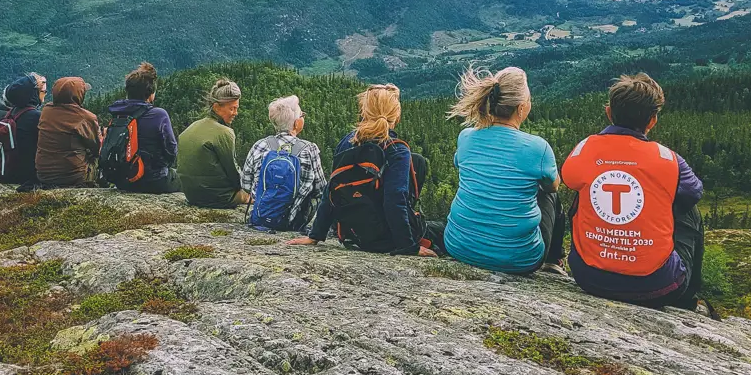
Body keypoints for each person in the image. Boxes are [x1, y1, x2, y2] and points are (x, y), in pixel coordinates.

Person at [561, 73, 705, 310]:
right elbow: (693, 192)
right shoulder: (668, 159)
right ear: (652, 121)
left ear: (609, 112)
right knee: (690, 211)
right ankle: (687, 301)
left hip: (589, 277)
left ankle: (600, 255)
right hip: (658, 286)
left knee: (582, 190)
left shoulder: (585, 147)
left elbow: (569, 180)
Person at [288, 84, 444, 257]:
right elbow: (394, 200)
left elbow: (331, 189)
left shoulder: (347, 142)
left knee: (417, 161)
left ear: (364, 111)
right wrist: (409, 246)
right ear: (396, 115)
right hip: (386, 239)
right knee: (443, 231)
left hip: (353, 234)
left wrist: (315, 235)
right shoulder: (396, 149)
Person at [443, 67, 566, 274]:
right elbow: (553, 186)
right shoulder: (538, 148)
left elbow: (459, 164)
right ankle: (553, 261)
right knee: (550, 196)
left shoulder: (466, 136)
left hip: (458, 246)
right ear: (521, 108)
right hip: (520, 259)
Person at [241, 95, 325, 232]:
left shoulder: (260, 145)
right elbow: (320, 189)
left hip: (262, 217)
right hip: (293, 222)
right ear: (297, 123)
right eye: (302, 114)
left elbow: (245, 185)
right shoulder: (309, 149)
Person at [104, 63, 180, 193]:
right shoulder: (159, 114)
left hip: (122, 180)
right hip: (153, 180)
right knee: (185, 180)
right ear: (150, 94)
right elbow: (171, 150)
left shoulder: (117, 113)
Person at [178, 79, 252, 208]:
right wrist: (246, 189)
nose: (236, 113)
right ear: (217, 107)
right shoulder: (225, 132)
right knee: (251, 196)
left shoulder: (192, 126)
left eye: (236, 108)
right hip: (218, 198)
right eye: (232, 109)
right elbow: (233, 173)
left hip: (190, 195)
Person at [35, 77, 101, 188]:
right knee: (99, 159)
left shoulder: (46, 111)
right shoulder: (85, 117)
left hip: (43, 175)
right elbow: (96, 148)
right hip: (72, 177)